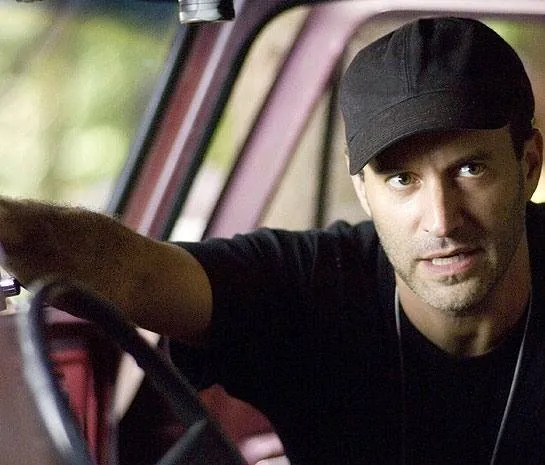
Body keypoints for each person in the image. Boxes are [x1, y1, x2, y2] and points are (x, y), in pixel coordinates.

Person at [0, 15, 544, 465]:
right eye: (402, 179)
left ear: (529, 164)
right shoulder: (313, 284)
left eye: (471, 169)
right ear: (364, 191)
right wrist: (10, 227)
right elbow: (135, 274)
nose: (442, 221)